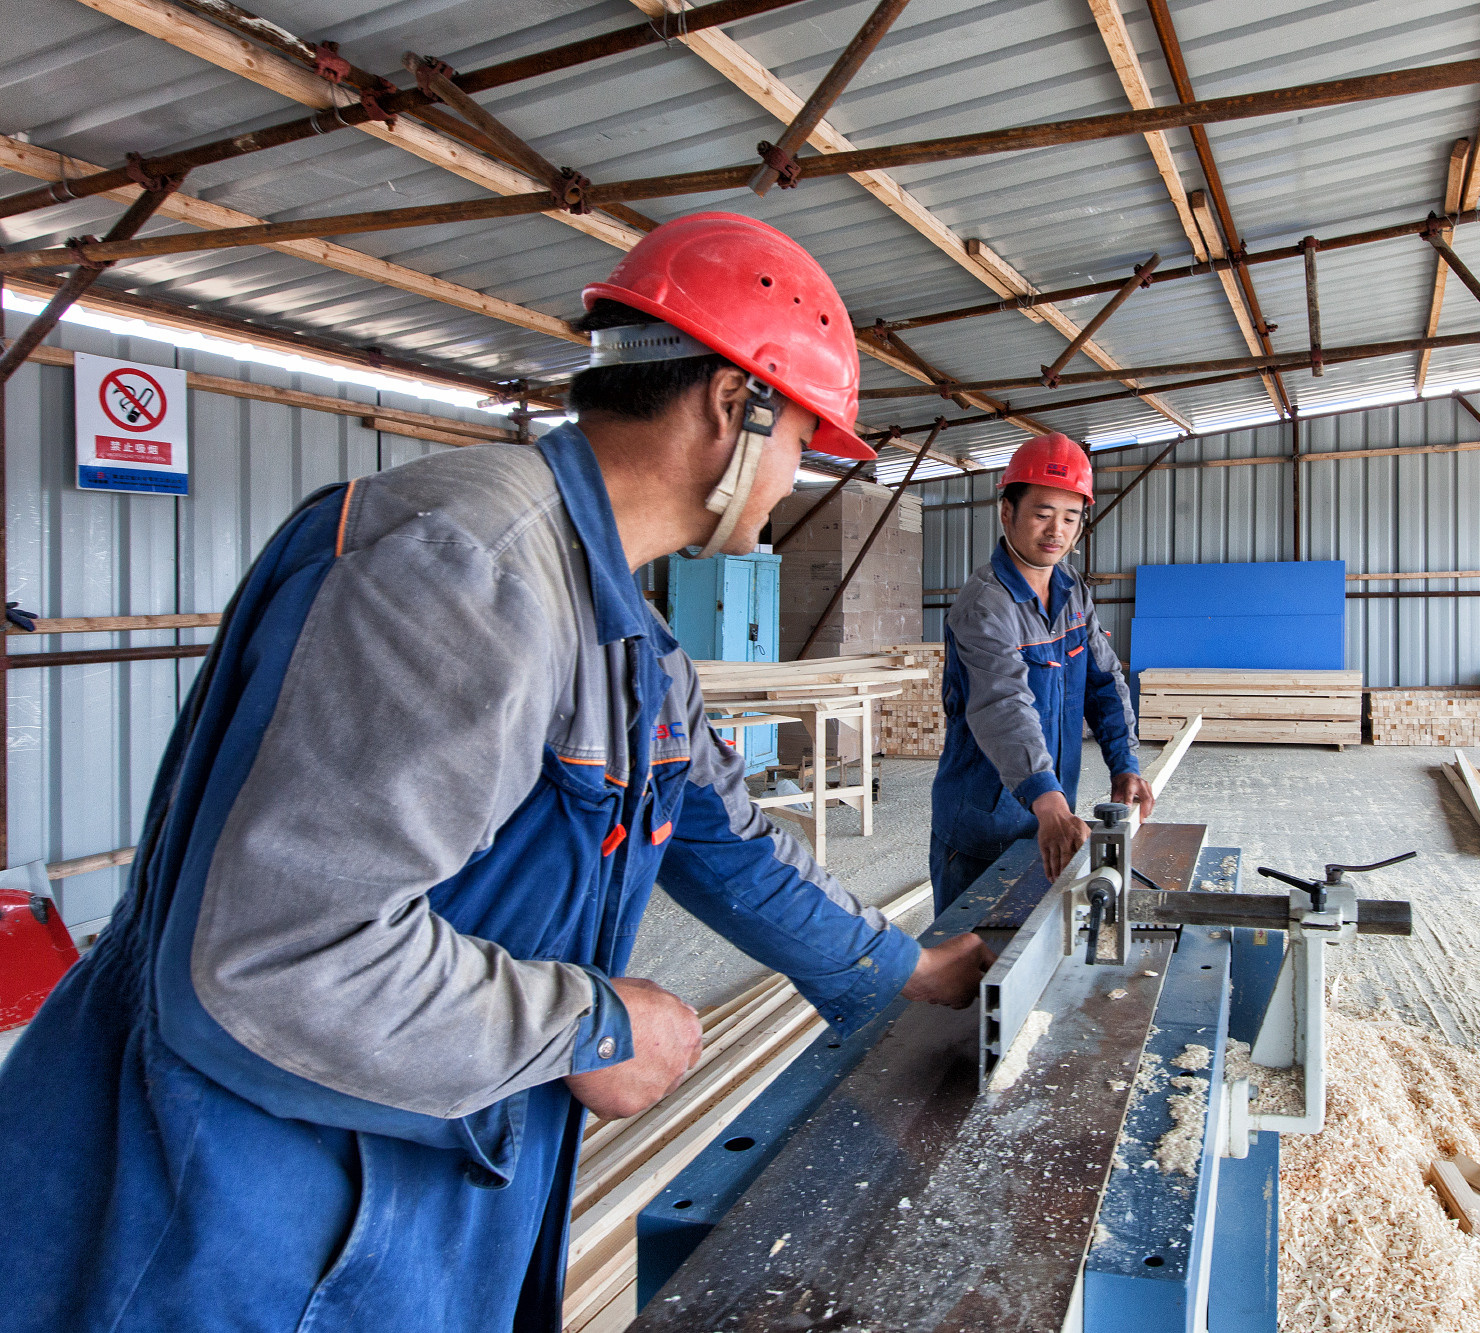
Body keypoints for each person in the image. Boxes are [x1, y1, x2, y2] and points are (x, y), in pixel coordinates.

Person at [0, 212, 993, 1332]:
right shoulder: (466, 572)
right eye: (801, 441)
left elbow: (728, 843)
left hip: (411, 1168)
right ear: (733, 405)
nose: (793, 481)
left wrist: (908, 966)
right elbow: (282, 958)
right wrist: (589, 1025)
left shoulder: (626, 637)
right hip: (245, 1213)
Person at [929, 433, 1155, 912]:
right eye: (1042, 514)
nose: (1057, 531)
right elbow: (1002, 705)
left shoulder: (1072, 590)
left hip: (1050, 811)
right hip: (985, 824)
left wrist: (1124, 762)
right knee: (974, 950)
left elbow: (1103, 680)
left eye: (1070, 517)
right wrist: (1047, 798)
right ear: (1006, 512)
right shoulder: (985, 605)